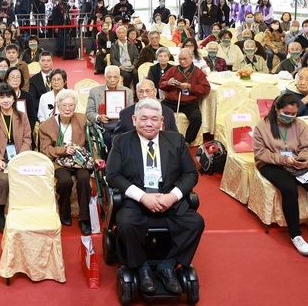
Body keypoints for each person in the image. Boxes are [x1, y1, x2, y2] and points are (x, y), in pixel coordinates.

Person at [106, 98, 203, 294]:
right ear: (134, 120)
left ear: (162, 122)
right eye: (143, 119)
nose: (149, 123)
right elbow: (113, 175)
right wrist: (142, 197)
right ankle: (142, 267)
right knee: (126, 224)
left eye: (154, 119)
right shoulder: (121, 142)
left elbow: (191, 174)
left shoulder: (176, 140)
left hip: (168, 199)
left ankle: (167, 266)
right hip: (136, 200)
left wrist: (172, 197)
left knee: (195, 223)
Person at [252, 93, 308, 256]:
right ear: (277, 109)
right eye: (286, 113)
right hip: (271, 163)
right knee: (289, 188)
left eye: (294, 114)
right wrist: (283, 159)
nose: (290, 117)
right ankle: (295, 235)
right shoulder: (262, 127)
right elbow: (260, 153)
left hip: (295, 161)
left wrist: (305, 160)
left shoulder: (300, 125)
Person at [38, 89, 92, 235]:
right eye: (64, 105)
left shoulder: (82, 119)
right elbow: (45, 150)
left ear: (75, 106)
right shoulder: (46, 126)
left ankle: (84, 218)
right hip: (59, 161)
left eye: (71, 105)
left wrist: (93, 157)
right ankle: (64, 211)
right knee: (64, 181)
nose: (68, 109)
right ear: (58, 106)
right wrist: (63, 150)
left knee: (84, 178)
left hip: (79, 161)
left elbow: (90, 142)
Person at [0, 83, 32, 232]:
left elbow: (27, 139)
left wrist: (20, 158)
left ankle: (23, 210)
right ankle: (0, 212)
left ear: (14, 98)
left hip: (19, 156)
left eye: (9, 96)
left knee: (28, 175)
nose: (6, 100)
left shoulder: (22, 116)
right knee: (4, 179)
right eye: (2, 97)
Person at [159, 49, 211, 144]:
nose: (182, 61)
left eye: (185, 59)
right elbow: (161, 84)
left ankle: (186, 141)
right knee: (157, 111)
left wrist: (190, 87)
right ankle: (165, 137)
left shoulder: (197, 72)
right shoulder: (173, 69)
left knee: (196, 118)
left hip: (189, 102)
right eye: (180, 59)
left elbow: (206, 88)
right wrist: (168, 82)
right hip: (171, 101)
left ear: (191, 58)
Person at [113, 80, 178, 137]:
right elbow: (116, 139)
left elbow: (175, 137)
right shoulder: (125, 114)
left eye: (147, 91)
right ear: (136, 92)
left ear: (155, 91)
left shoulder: (168, 112)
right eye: (141, 91)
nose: (144, 95)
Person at [86, 65, 134, 136]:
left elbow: (131, 112)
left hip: (122, 127)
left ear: (119, 78)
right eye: (109, 77)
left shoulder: (128, 92)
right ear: (105, 77)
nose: (112, 80)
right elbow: (89, 112)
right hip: (103, 128)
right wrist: (98, 117)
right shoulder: (94, 92)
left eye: (115, 77)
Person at [4, 66, 37, 132]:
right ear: (7, 80)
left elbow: (32, 117)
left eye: (18, 77)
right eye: (12, 77)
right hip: (6, 131)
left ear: (21, 80)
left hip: (25, 132)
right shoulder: (2, 96)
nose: (15, 79)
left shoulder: (28, 96)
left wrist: (27, 132)